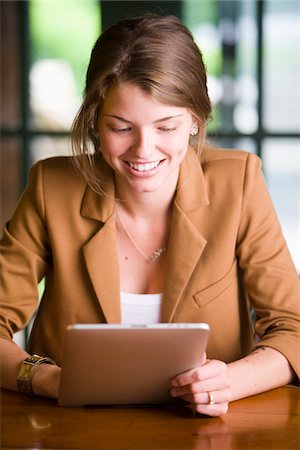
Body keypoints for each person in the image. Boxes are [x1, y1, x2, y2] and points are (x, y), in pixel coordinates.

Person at [0, 14, 299, 418]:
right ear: (94, 121)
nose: (143, 150)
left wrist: (230, 380)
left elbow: (293, 329)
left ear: (195, 119)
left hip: (209, 430)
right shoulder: (50, 187)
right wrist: (46, 379)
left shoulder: (239, 182)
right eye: (121, 127)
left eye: (166, 126)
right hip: (69, 428)